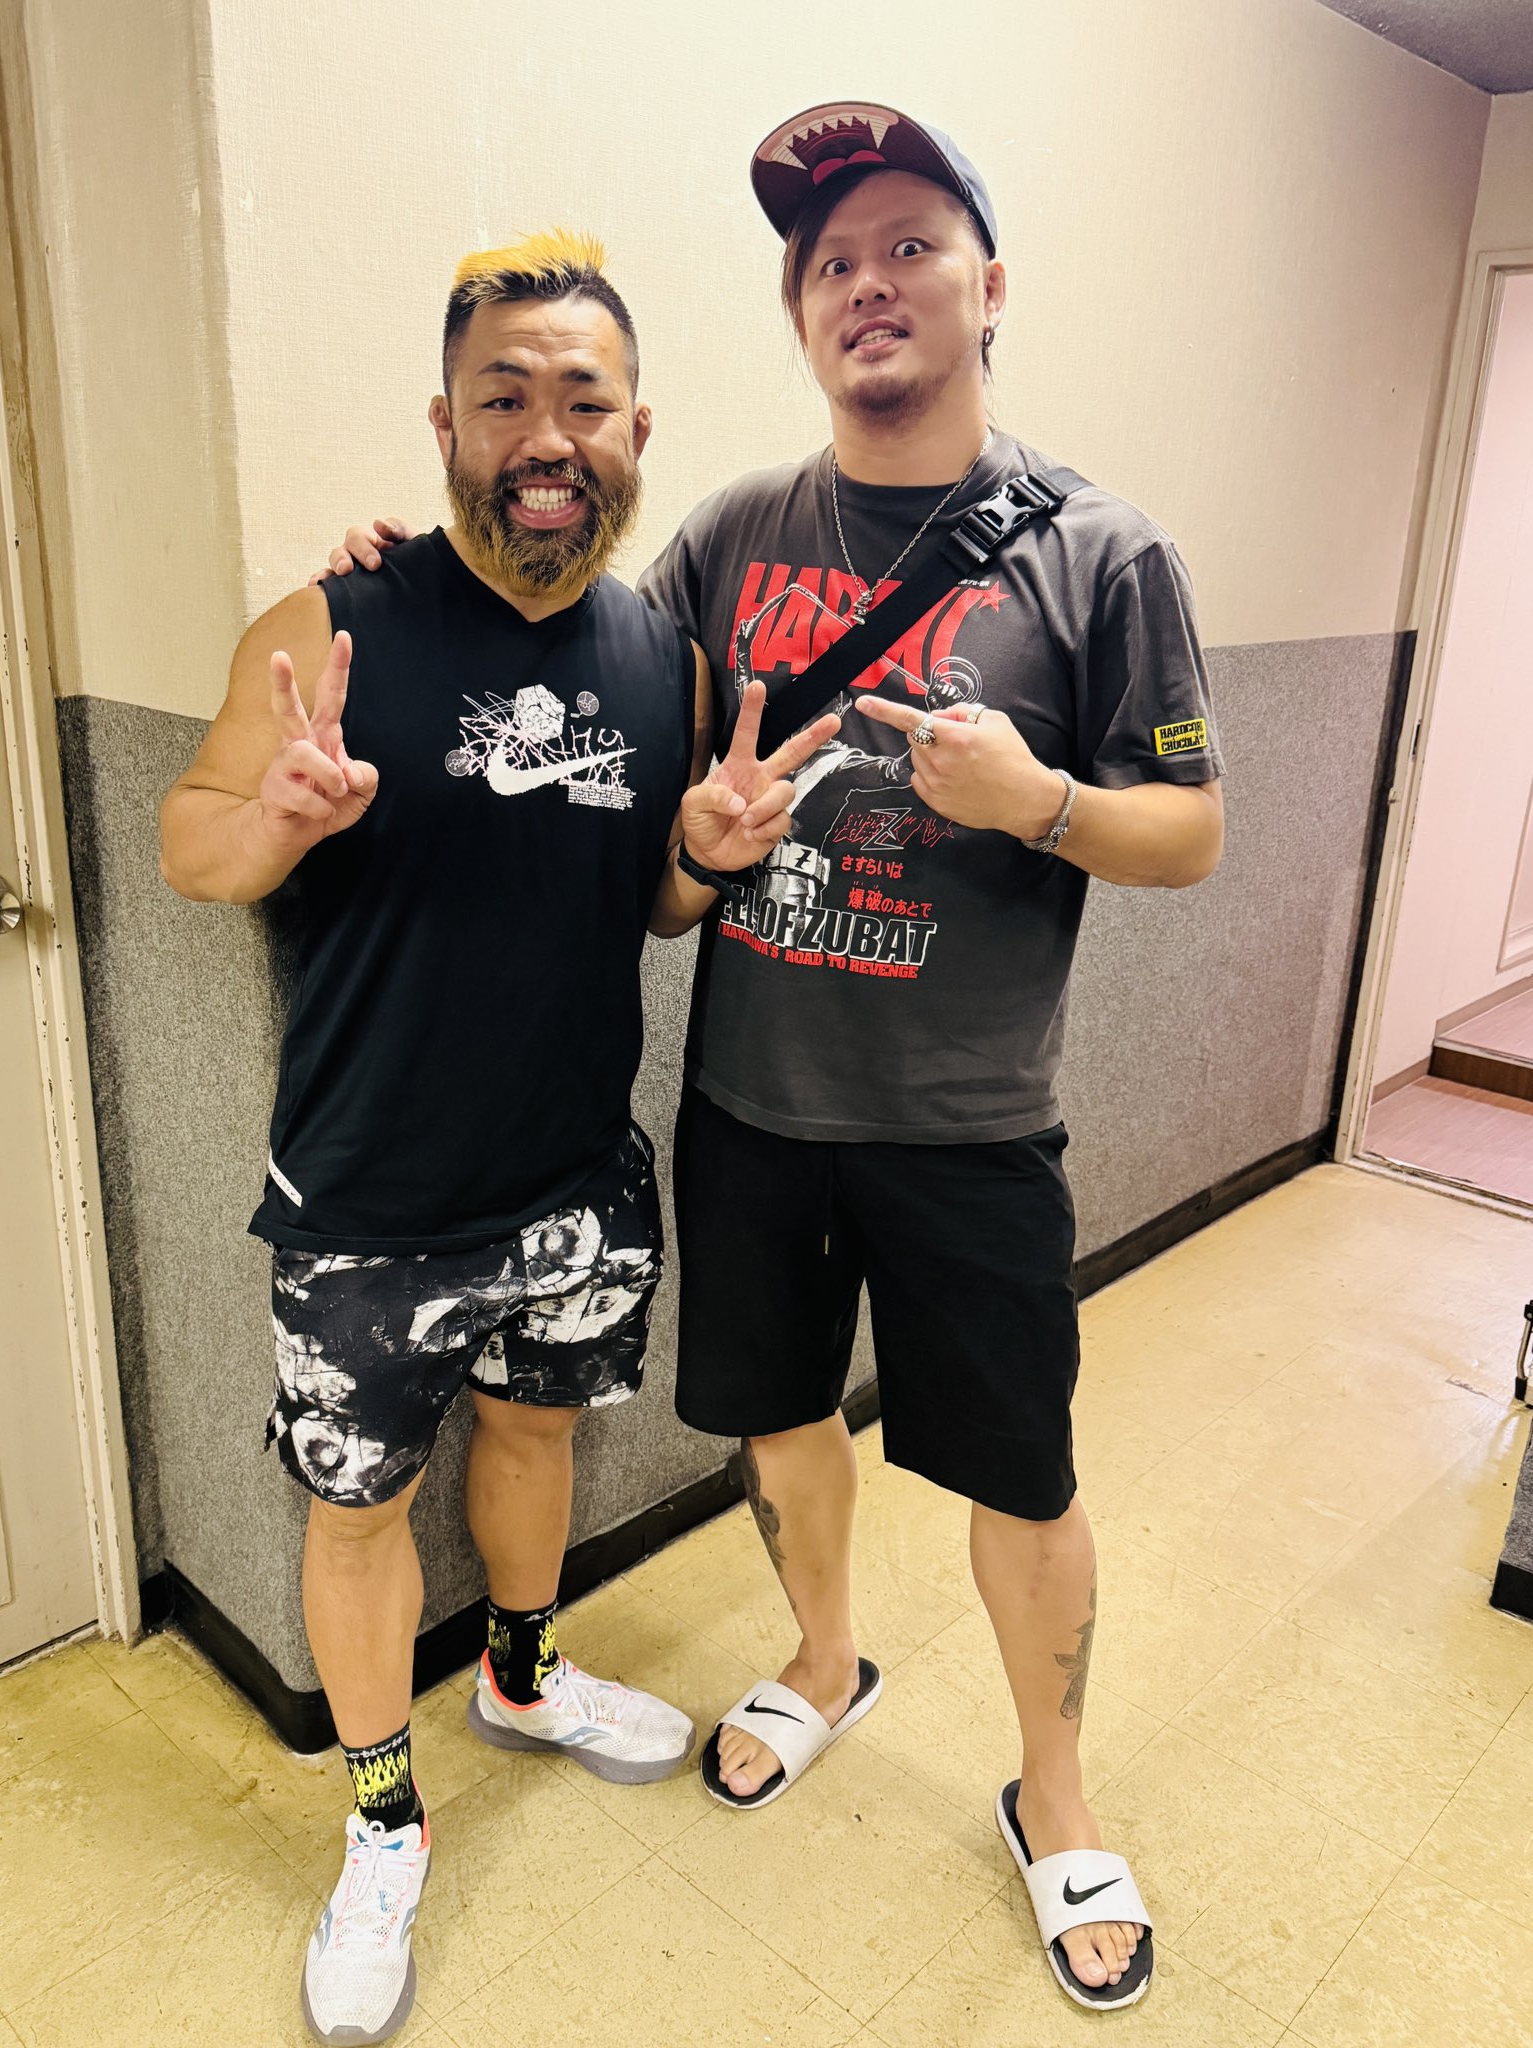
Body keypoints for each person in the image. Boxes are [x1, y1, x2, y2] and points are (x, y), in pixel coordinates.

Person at [323, 102, 1224, 2015]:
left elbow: (1192, 832)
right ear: (801, 314)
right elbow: (560, 639)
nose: (866, 284)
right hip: (748, 1106)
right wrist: (411, 575)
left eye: (908, 246)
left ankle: (1056, 1798)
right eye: (830, 263)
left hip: (971, 1125)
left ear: (990, 287)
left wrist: (1044, 801)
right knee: (784, 1416)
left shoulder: (1104, 552)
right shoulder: (735, 535)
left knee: (1025, 1479)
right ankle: (824, 1662)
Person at [159, 228, 834, 2047]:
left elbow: (654, 909)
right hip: (367, 1200)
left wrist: (706, 855)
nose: (547, 434)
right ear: (446, 425)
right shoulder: (333, 625)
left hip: (575, 1181)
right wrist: (279, 819)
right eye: (505, 396)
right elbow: (191, 842)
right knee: (359, 1509)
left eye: (583, 401)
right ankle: (385, 1822)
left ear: (635, 431)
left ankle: (522, 1681)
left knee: (538, 1436)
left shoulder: (660, 652)